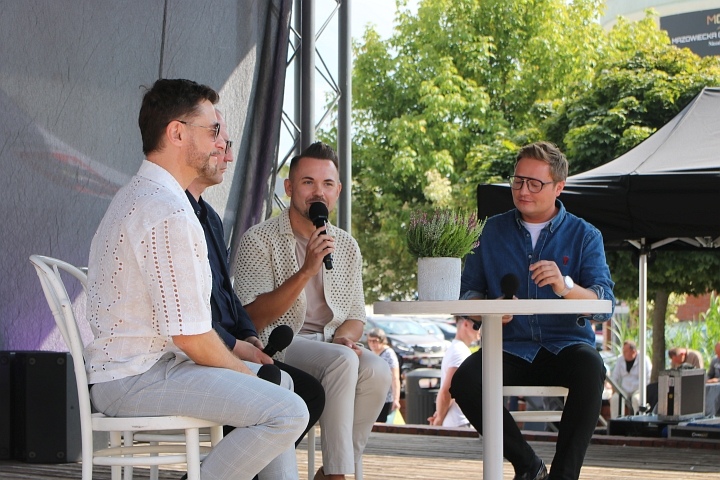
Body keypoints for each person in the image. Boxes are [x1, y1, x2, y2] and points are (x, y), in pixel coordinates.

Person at [85, 78, 308, 480]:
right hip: (136, 378)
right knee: (287, 410)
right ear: (176, 133)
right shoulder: (166, 210)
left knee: (282, 390)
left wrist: (253, 374)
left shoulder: (145, 195)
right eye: (213, 130)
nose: (221, 143)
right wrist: (247, 374)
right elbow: (191, 337)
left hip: (139, 370)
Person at [450, 141, 615, 480]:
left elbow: (603, 304)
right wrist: (489, 310)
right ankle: (528, 466)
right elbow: (467, 295)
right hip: (508, 348)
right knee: (465, 380)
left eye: (535, 183)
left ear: (559, 187)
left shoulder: (585, 235)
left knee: (591, 368)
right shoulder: (488, 232)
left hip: (566, 347)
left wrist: (565, 286)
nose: (523, 190)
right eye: (518, 181)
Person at [233, 141, 391, 480]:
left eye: (327, 184)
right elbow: (250, 318)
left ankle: (330, 470)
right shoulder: (258, 239)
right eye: (308, 182)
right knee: (343, 361)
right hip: (280, 343)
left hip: (331, 345)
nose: (318, 192)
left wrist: (345, 337)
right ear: (289, 187)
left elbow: (355, 315)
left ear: (338, 191)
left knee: (378, 370)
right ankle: (338, 476)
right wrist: (306, 270)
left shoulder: (346, 245)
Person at [185, 109, 325, 444]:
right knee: (291, 393)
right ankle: (223, 465)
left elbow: (227, 293)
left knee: (308, 393)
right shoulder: (174, 214)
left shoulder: (210, 217)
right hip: (197, 354)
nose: (228, 156)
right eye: (219, 142)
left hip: (226, 344)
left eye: (228, 145)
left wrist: (248, 336)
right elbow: (187, 319)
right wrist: (234, 347)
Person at [428, 316, 480, 428]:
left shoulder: (457, 349)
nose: (480, 329)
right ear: (466, 324)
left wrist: (439, 415)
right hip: (459, 422)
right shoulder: (459, 352)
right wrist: (439, 419)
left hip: (456, 420)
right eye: (477, 325)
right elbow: (449, 390)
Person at [608, 340, 652, 418]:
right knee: (615, 399)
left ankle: (637, 421)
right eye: (623, 351)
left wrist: (644, 391)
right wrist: (614, 391)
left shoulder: (644, 359)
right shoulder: (620, 359)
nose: (623, 353)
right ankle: (616, 422)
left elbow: (648, 377)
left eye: (625, 351)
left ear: (633, 351)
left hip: (639, 390)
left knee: (636, 400)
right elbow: (615, 376)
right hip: (624, 390)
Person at [366, 328, 401, 422]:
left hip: (386, 398)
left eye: (375, 341)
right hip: (372, 397)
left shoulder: (389, 354)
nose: (372, 344)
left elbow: (395, 377)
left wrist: (396, 399)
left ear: (382, 340)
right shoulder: (372, 353)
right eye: (369, 341)